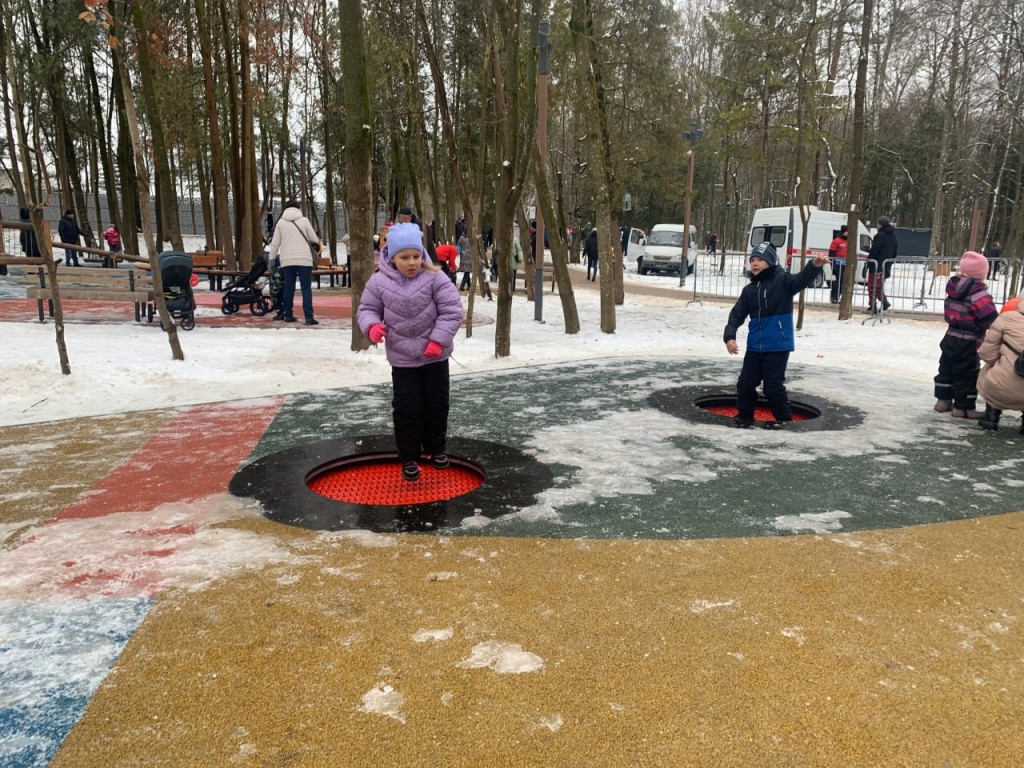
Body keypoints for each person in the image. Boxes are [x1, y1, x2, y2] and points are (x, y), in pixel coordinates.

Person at [356, 222, 464, 482]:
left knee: (437, 405)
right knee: (407, 408)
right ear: (392, 257)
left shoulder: (435, 276)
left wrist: (438, 340)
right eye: (405, 257)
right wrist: (371, 327)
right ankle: (409, 457)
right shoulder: (378, 281)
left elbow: (452, 311)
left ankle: (436, 448)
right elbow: (366, 309)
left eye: (416, 256)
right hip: (403, 359)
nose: (412, 262)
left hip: (435, 357)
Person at [723, 241, 828, 429]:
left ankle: (784, 420)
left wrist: (814, 266)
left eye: (760, 260)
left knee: (772, 387)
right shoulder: (749, 290)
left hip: (778, 346)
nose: (755, 263)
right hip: (755, 347)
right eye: (752, 260)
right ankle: (744, 417)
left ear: (771, 262)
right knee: (745, 385)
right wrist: (729, 336)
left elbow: (801, 279)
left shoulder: (783, 281)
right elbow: (736, 314)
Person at [932, 251, 998, 419]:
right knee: (966, 373)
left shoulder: (953, 289)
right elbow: (989, 318)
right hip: (969, 340)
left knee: (946, 367)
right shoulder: (978, 294)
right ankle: (963, 407)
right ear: (982, 274)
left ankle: (943, 401)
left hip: (950, 336)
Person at [265, 200, 320, 325]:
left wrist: (271, 260)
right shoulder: (304, 221)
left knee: (288, 288)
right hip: (304, 260)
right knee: (306, 289)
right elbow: (314, 239)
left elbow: (275, 244)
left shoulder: (281, 223)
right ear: (298, 208)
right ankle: (309, 317)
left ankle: (288, 315)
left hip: (287, 260)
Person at [977, 297, 1024, 433]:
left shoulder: (1007, 318)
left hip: (1002, 386)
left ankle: (991, 415)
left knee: (990, 370)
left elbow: (986, 353)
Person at [865, 215, 897, 313]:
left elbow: (874, 250)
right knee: (878, 285)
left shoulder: (880, 236)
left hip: (876, 264)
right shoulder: (893, 236)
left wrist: (868, 262)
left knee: (872, 286)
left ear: (880, 225)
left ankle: (873, 305)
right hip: (885, 265)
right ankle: (883, 302)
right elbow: (895, 252)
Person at [828, 224, 848, 304]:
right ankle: (834, 297)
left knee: (843, 281)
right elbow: (831, 254)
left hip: (846, 264)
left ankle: (838, 297)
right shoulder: (836, 241)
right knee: (839, 280)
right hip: (837, 264)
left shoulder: (849, 241)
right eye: (847, 231)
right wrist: (833, 265)